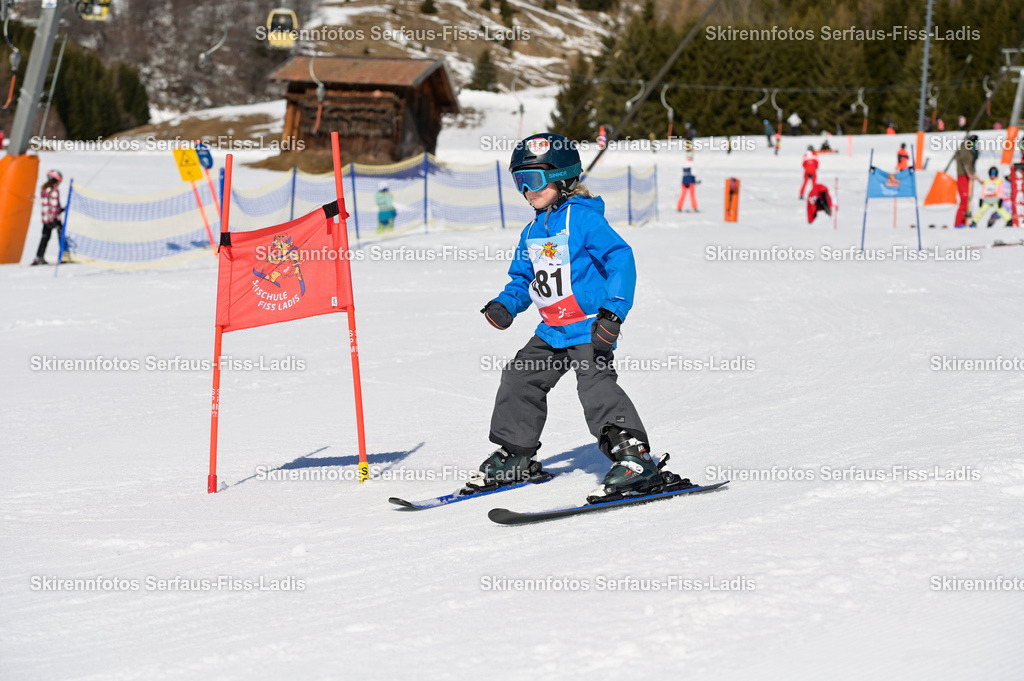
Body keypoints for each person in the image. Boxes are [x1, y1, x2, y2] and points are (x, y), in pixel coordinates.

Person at [471, 132, 685, 503]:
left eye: (534, 179)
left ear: (562, 177)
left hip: (589, 325)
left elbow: (621, 258)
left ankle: (635, 459)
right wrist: (507, 303)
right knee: (519, 377)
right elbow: (523, 278)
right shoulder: (532, 231)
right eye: (520, 181)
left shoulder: (583, 219)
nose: (527, 190)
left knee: (595, 386)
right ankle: (516, 454)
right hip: (552, 329)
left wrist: (613, 313)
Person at [32, 170, 65, 266]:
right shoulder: (54, 190)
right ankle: (64, 256)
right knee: (61, 237)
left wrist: (61, 209)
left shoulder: (44, 189)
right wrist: (55, 217)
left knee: (45, 238)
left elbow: (46, 205)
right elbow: (54, 206)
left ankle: (39, 257)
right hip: (54, 219)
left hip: (46, 219)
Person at [954, 134, 980, 229]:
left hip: (968, 177)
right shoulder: (964, 148)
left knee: (968, 199)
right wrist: (970, 174)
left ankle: (965, 221)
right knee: (965, 199)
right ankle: (959, 223)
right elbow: (966, 163)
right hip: (963, 176)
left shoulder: (972, 150)